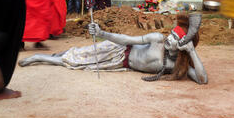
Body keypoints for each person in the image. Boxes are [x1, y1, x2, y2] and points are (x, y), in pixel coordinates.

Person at [19, 13, 208, 85]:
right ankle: (39, 57)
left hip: (120, 64)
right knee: (78, 57)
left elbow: (202, 80)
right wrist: (103, 32)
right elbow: (126, 39)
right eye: (171, 34)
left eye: (175, 38)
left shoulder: (177, 65)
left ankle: (51, 57)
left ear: (183, 45)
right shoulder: (158, 39)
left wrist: (192, 52)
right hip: (117, 50)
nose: (169, 38)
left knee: (79, 61)